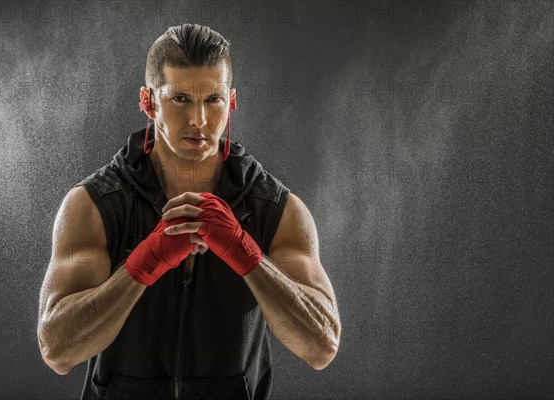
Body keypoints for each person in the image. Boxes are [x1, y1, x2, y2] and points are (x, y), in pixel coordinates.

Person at [37, 23, 341, 400]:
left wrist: (245, 253)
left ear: (231, 102)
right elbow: (58, 351)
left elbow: (321, 347)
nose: (198, 119)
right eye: (180, 98)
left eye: (212, 99)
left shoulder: (274, 209)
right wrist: (141, 265)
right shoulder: (95, 205)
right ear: (148, 102)